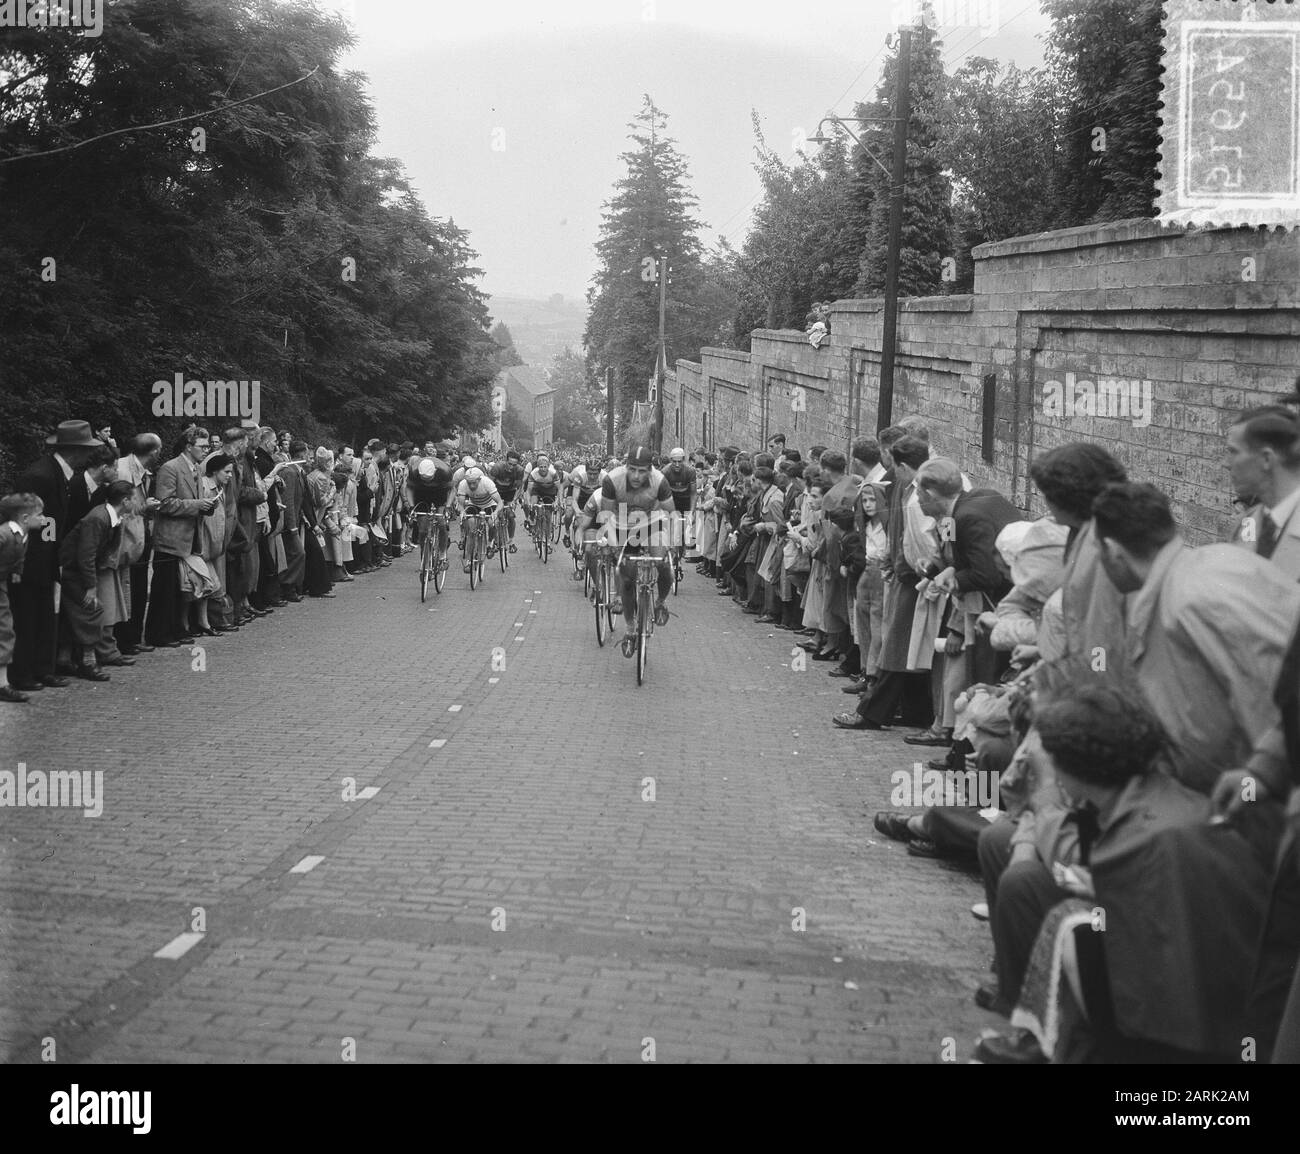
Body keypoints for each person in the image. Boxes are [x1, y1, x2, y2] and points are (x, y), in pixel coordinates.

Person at [599, 445, 675, 656]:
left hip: (651, 524)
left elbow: (672, 515)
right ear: (626, 466)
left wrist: (674, 542)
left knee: (663, 562)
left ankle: (660, 602)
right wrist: (615, 548)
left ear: (650, 470)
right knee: (626, 577)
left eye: (642, 471)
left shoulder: (660, 481)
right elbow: (605, 517)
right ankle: (631, 628)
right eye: (632, 469)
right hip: (620, 526)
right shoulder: (612, 480)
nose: (636, 475)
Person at [149, 426, 220, 646]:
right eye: (202, 446)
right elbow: (165, 503)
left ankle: (177, 629)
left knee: (182, 588)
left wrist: (206, 507)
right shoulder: (170, 469)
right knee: (165, 589)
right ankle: (158, 634)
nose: (206, 450)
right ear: (189, 447)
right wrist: (198, 505)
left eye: (208, 445)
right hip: (170, 539)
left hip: (189, 539)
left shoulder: (197, 469)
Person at [58, 480, 135, 680]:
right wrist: (91, 587)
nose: (135, 503)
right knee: (92, 609)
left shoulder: (109, 517)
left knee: (73, 615)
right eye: (133, 499)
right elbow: (86, 555)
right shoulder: (98, 518)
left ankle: (64, 659)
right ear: (125, 501)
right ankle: (88, 662)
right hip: (70, 571)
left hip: (75, 570)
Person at [114, 433, 162, 656]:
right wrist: (145, 508)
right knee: (131, 587)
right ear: (154, 452)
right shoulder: (124, 471)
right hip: (127, 540)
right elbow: (119, 506)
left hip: (138, 536)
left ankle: (133, 636)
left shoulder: (139, 470)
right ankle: (126, 639)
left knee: (139, 586)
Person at [0, 493, 44, 702]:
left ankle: (3, 683)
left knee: (5, 631)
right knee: (4, 630)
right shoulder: (4, 534)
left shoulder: (23, 534)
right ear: (25, 518)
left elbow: (19, 558)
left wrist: (16, 573)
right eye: (40, 515)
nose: (44, 519)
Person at [455, 467, 503, 569]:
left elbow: (500, 502)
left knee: (491, 523)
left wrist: (495, 512)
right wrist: (462, 511)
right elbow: (460, 504)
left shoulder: (487, 482)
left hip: (489, 504)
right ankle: (468, 561)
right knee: (472, 531)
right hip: (474, 505)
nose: (471, 485)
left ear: (479, 479)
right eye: (469, 483)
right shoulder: (463, 484)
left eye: (474, 483)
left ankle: (491, 543)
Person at [489, 450, 525, 553]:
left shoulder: (519, 470)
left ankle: (511, 541)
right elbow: (489, 483)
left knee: (510, 515)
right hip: (496, 491)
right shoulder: (497, 467)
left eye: (514, 465)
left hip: (510, 492)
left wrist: (514, 500)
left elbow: (519, 487)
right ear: (506, 461)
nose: (511, 467)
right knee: (495, 517)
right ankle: (494, 541)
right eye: (510, 464)